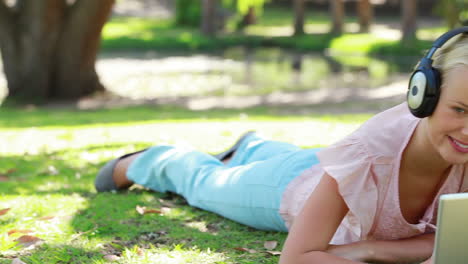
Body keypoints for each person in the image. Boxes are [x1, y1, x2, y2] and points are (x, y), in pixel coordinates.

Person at [95, 28, 468, 264]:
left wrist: (367, 250)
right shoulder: (372, 151)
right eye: (459, 109)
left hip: (320, 170)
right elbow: (299, 256)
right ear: (424, 95)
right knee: (205, 184)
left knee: (294, 161)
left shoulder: (455, 146)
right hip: (290, 189)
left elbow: (451, 246)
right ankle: (155, 160)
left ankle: (253, 147)